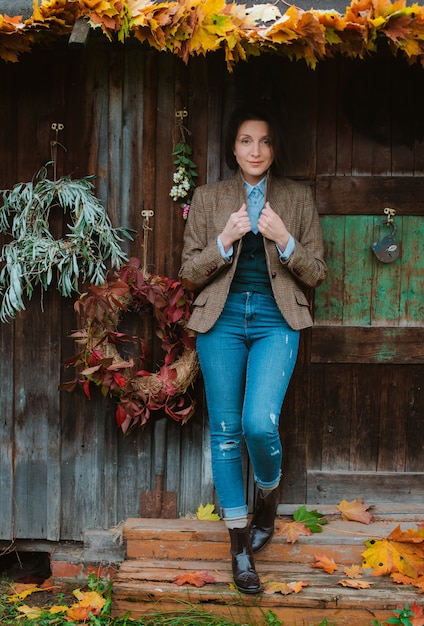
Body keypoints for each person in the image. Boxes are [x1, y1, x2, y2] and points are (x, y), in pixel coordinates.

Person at [179, 104, 327, 594]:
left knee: (258, 423)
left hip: (274, 319)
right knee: (223, 431)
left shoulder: (297, 199)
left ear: (274, 148)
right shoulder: (208, 198)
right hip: (219, 321)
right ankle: (239, 545)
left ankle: (268, 496)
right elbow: (188, 273)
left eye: (264, 141)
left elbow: (317, 274)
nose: (256, 150)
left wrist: (284, 239)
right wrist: (225, 238)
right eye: (246, 140)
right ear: (233, 147)